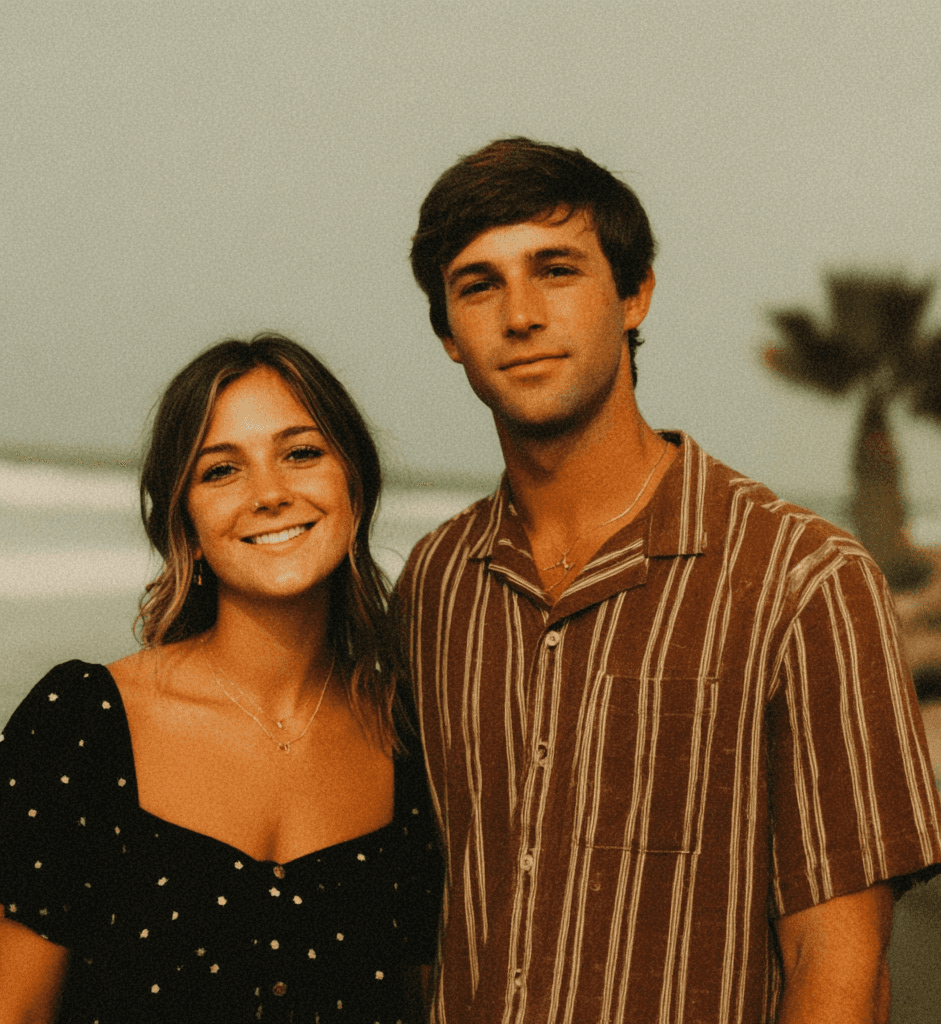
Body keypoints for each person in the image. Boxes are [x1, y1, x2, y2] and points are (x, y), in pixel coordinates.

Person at [395, 137, 941, 1024]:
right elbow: (425, 915)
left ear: (635, 291)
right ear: (449, 335)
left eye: (556, 269)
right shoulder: (436, 583)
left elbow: (841, 965)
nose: (520, 314)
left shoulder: (804, 580)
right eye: (479, 284)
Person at [0, 334, 442, 1023]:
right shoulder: (82, 724)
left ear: (353, 481)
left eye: (301, 453)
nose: (269, 493)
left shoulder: (411, 740)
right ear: (184, 517)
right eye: (220, 471)